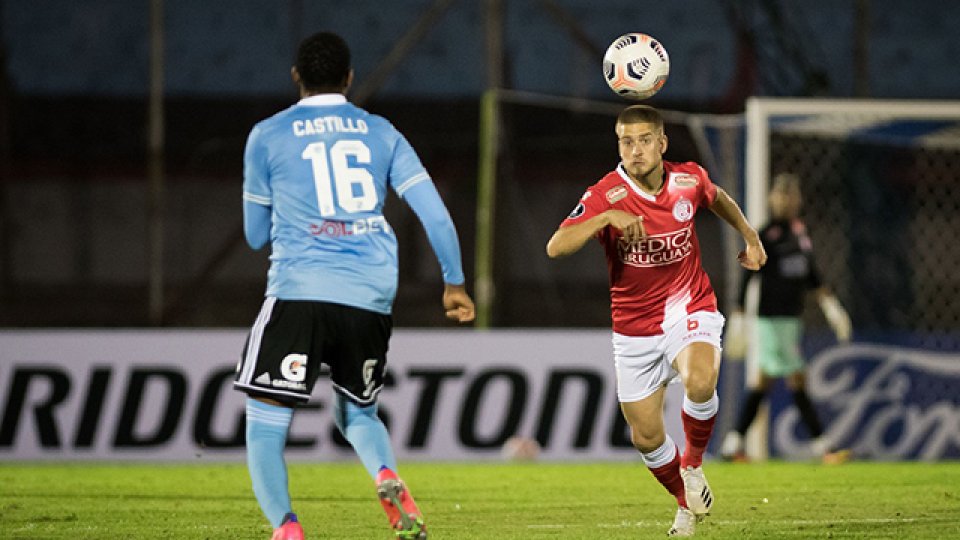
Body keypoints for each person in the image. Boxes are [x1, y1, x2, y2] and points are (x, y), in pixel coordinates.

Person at [233, 31, 475, 540]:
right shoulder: (381, 132)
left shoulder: (268, 134)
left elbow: (256, 237)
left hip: (300, 288)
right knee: (358, 410)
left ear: (296, 76)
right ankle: (385, 473)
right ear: (348, 78)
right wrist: (454, 284)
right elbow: (437, 217)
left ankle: (287, 528)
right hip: (370, 292)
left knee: (265, 423)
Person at [546, 104, 766, 537]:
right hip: (634, 329)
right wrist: (605, 219)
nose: (635, 149)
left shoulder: (688, 179)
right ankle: (685, 502)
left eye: (645, 140)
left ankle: (694, 464)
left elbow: (717, 197)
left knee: (701, 380)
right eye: (626, 141)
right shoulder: (605, 194)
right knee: (646, 438)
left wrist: (750, 236)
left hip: (690, 307)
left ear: (662, 143)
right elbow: (556, 246)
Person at [719, 172, 852, 464]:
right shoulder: (765, 234)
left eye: (790, 195)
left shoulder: (800, 233)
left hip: (790, 320)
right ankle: (823, 447)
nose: (786, 200)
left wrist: (831, 307)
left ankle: (733, 444)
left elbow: (812, 274)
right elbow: (747, 277)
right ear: (772, 198)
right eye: (781, 194)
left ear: (798, 199)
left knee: (762, 383)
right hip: (771, 320)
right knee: (796, 378)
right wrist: (739, 317)